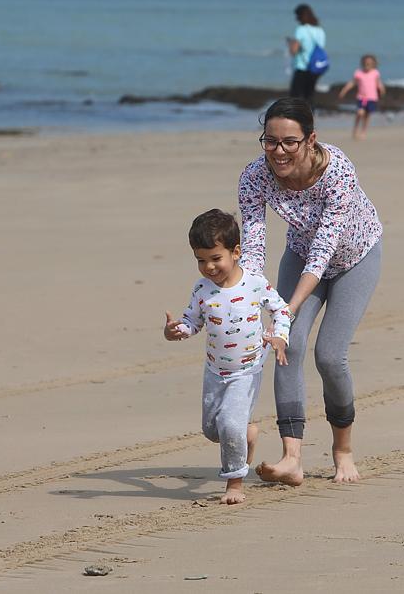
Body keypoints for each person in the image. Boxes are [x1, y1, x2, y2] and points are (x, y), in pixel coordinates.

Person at [238, 97, 383, 485]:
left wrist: (286, 307)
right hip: (300, 256)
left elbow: (325, 250)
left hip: (355, 258)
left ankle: (343, 451)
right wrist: (251, 301)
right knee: (288, 346)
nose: (279, 151)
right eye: (270, 141)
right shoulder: (255, 177)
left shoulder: (338, 170)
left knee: (330, 357)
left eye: (289, 142)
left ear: (310, 140)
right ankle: (292, 458)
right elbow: (252, 248)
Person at [164, 209, 292, 505]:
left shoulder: (255, 284)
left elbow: (281, 310)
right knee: (213, 430)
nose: (208, 267)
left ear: (235, 252)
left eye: (215, 258)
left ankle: (235, 482)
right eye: (200, 260)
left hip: (246, 370)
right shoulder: (201, 289)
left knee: (229, 426)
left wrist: (279, 337)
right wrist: (177, 331)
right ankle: (248, 433)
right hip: (214, 370)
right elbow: (193, 322)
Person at [337, 54, 386, 140]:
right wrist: (344, 91)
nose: (367, 66)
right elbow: (352, 83)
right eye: (366, 64)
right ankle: (355, 129)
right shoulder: (358, 73)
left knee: (367, 116)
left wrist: (382, 90)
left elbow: (378, 83)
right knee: (360, 112)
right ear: (362, 63)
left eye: (369, 64)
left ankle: (363, 131)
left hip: (372, 98)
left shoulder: (375, 73)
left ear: (373, 64)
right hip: (362, 98)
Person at [286, 4, 326, 104]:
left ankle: (296, 118)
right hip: (316, 67)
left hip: (302, 66)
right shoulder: (320, 30)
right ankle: (310, 116)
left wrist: (290, 44)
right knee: (310, 95)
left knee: (295, 96)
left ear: (300, 16)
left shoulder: (301, 29)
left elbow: (293, 51)